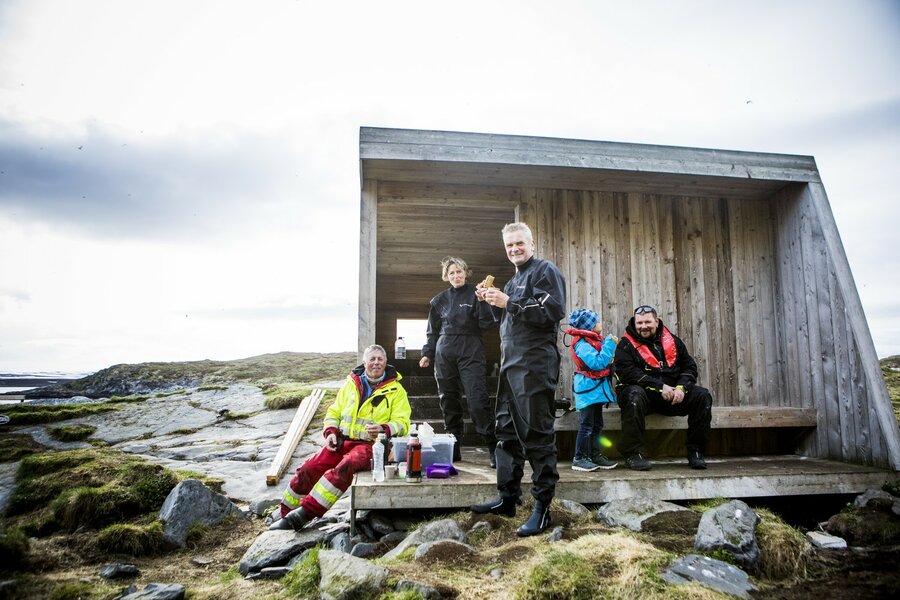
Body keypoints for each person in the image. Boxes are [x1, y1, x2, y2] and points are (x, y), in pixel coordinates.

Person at [470, 222, 566, 537]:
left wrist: (508, 302)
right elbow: (496, 322)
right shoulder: (512, 281)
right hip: (510, 366)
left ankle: (542, 509)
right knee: (506, 432)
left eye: (519, 244)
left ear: (531, 243)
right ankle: (508, 498)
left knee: (537, 433)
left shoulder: (545, 271)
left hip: (536, 364)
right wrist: (487, 300)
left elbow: (552, 310)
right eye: (509, 245)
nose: (514, 249)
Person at [269, 344, 411, 530]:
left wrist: (384, 428)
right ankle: (284, 513)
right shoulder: (350, 385)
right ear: (364, 362)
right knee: (308, 468)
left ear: (386, 362)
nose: (376, 363)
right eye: (372, 359)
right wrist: (330, 432)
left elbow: (403, 422)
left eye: (380, 359)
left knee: (344, 468)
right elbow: (334, 412)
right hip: (341, 441)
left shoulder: (396, 390)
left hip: (372, 445)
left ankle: (304, 515)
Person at [419, 256, 498, 465]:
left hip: (470, 349)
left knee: (477, 398)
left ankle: (493, 447)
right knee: (448, 399)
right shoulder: (439, 300)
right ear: (447, 276)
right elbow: (431, 332)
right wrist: (427, 353)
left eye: (459, 271)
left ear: (466, 273)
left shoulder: (477, 294)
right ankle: (453, 447)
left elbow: (487, 324)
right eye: (452, 272)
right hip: (444, 352)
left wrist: (482, 303)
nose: (456, 275)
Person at [614, 305, 712, 471]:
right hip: (642, 399)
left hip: (672, 397)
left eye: (647, 322)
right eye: (639, 323)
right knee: (633, 395)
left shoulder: (673, 341)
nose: (643, 326)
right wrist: (660, 387)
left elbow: (689, 367)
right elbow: (628, 373)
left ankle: (696, 452)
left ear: (656, 321)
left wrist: (681, 388)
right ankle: (632, 454)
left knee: (703, 396)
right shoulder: (625, 345)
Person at [565, 308, 618, 472]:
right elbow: (597, 363)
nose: (599, 324)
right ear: (589, 326)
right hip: (587, 389)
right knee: (586, 425)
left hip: (595, 389)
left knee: (597, 425)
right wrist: (610, 345)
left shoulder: (593, 340)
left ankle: (595, 455)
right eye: (596, 321)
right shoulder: (581, 344)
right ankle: (579, 458)